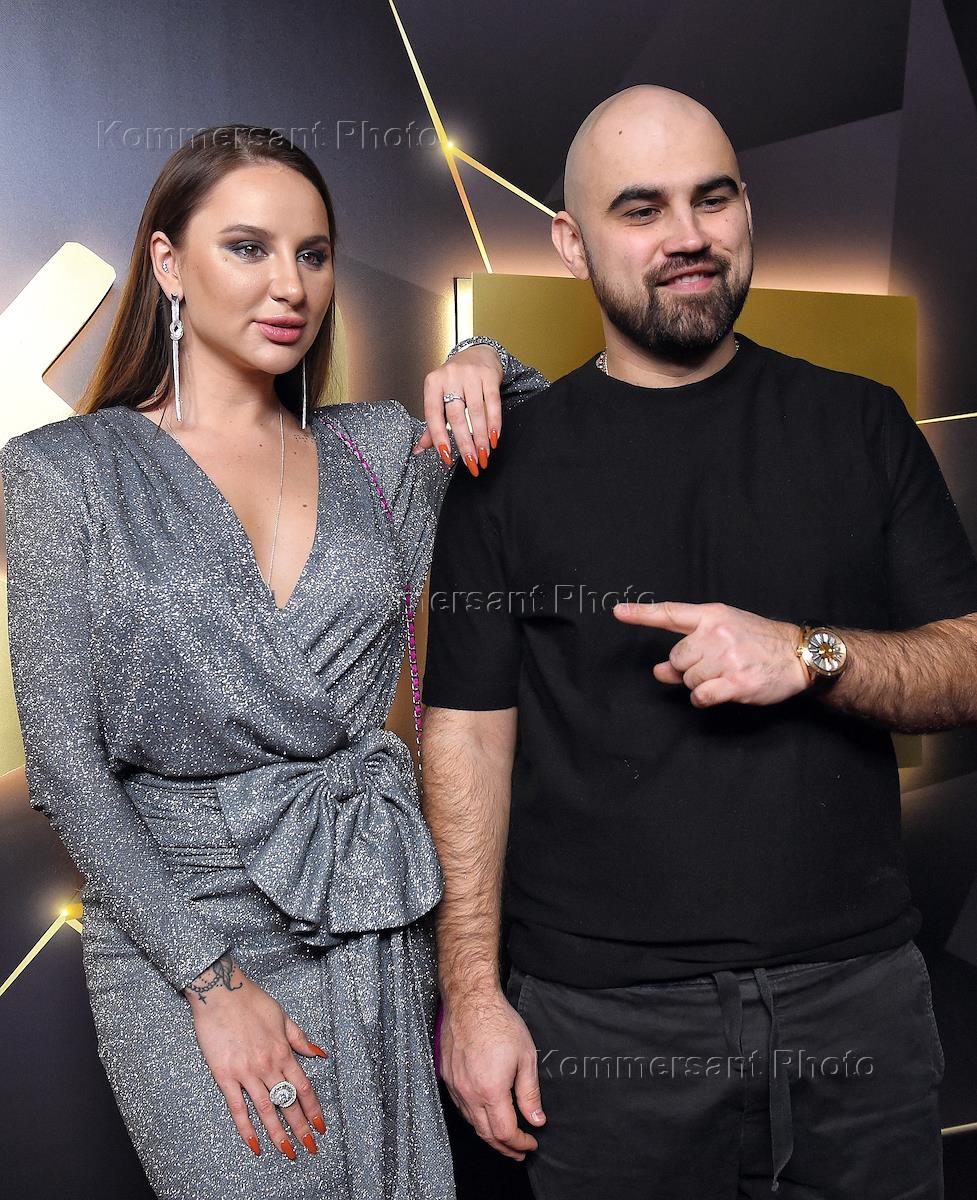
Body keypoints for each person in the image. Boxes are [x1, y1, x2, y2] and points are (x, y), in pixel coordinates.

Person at [419, 85, 977, 1199]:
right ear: (570, 243)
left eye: (711, 198)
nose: (687, 235)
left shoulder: (859, 421)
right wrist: (471, 997)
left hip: (856, 1005)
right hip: (601, 1027)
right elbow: (466, 740)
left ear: (745, 210)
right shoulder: (502, 467)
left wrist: (807, 655)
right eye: (640, 209)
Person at [0, 124, 547, 1200]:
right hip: (179, 934)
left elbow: (567, 424)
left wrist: (484, 359)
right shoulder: (62, 473)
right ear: (168, 264)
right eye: (247, 247)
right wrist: (209, 982)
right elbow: (64, 766)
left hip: (367, 911)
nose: (290, 285)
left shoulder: (376, 447)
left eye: (313, 254)